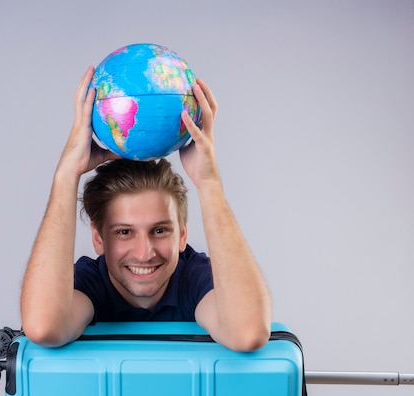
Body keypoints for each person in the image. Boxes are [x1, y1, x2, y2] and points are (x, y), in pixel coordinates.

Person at [20, 66, 271, 352]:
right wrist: (66, 175)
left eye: (160, 230)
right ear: (99, 238)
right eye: (124, 232)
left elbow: (247, 332)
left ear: (182, 235)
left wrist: (209, 184)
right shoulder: (91, 282)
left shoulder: (194, 278)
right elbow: (44, 328)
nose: (144, 252)